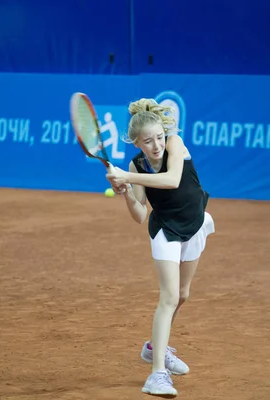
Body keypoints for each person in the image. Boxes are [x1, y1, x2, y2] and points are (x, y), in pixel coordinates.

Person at [106, 98, 215, 397]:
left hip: (194, 223)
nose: (155, 145)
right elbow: (140, 215)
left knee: (182, 294)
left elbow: (172, 179)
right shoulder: (136, 165)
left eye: (158, 137)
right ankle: (156, 374)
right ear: (137, 143)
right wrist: (126, 192)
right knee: (168, 297)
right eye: (147, 141)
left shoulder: (175, 144)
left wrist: (127, 177)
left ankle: (155, 347)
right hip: (166, 231)